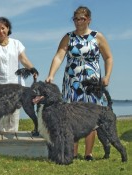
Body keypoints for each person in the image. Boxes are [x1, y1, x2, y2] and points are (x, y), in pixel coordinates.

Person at [45, 6, 113, 161]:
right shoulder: (68, 37)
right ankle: (73, 152)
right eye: (75, 19)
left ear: (88, 19)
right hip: (72, 83)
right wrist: (51, 75)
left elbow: (108, 57)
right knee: (71, 117)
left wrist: (107, 76)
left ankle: (88, 153)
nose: (78, 22)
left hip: (92, 83)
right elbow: (58, 57)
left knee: (91, 117)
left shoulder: (98, 37)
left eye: (81, 18)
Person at [0, 17, 38, 132]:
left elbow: (23, 59)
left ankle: (13, 139)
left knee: (13, 117)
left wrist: (32, 69)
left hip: (15, 86)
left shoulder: (16, 44)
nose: (1, 31)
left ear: (8, 28)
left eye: (3, 28)